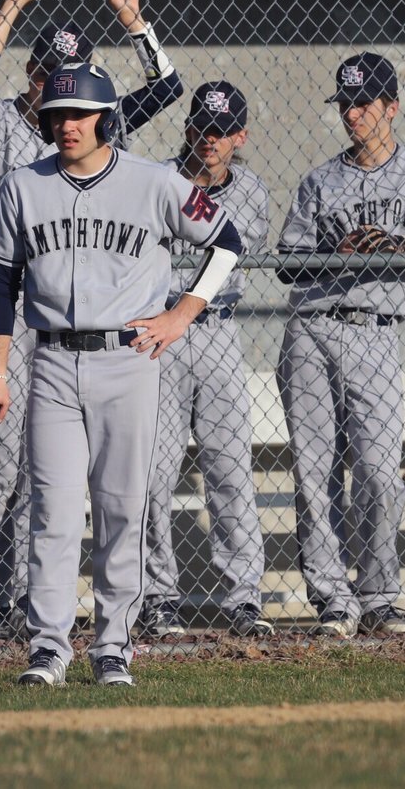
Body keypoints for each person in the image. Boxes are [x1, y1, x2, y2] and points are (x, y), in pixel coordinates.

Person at [0, 61, 242, 687]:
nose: (66, 125)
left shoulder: (155, 181)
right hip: (51, 362)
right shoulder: (22, 186)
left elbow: (227, 242)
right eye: (56, 114)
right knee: (53, 512)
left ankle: (113, 647)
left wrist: (181, 314)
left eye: (79, 114)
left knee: (122, 508)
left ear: (104, 119)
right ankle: (48, 648)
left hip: (129, 361)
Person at [0, 0, 184, 637]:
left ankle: (39, 607)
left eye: (72, 72)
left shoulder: (97, 124)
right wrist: (14, 1)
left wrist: (133, 21)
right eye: (46, 73)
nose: (57, 85)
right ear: (32, 74)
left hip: (78, 316)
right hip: (7, 310)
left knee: (53, 476)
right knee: (5, 463)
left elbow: (168, 86)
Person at [277, 54, 405, 637]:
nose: (353, 114)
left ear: (392, 107)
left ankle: (377, 596)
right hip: (313, 328)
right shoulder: (320, 180)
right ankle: (333, 600)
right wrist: (334, 253)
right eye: (345, 104)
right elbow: (288, 264)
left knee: (377, 472)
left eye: (364, 103)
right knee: (315, 472)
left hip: (376, 330)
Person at [139, 81, 273, 639]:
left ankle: (244, 599)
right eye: (201, 128)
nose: (209, 140)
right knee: (153, 473)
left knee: (230, 469)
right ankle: (157, 597)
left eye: (221, 132)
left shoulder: (252, 191)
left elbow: (236, 259)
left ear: (240, 136)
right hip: (160, 333)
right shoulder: (158, 180)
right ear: (188, 127)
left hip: (218, 330)